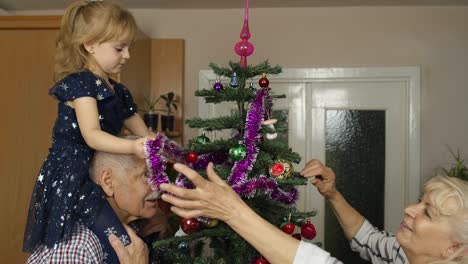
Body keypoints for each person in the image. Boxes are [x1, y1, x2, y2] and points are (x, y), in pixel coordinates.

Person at [23, 0, 155, 261]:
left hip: (93, 173)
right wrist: (132, 147)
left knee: (119, 240)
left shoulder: (119, 92)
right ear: (90, 44)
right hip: (72, 177)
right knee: (118, 242)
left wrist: (159, 147)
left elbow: (144, 135)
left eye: (130, 47)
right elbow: (91, 135)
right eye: (119, 48)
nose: (127, 55)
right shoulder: (82, 84)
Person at [156, 162, 468, 264]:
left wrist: (232, 211)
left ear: (454, 248)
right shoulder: (404, 253)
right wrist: (332, 194)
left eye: (428, 213)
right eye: (419, 200)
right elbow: (368, 239)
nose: (409, 209)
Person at [27, 141, 167, 263]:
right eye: (146, 174)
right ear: (108, 182)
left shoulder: (137, 227)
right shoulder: (78, 248)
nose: (159, 185)